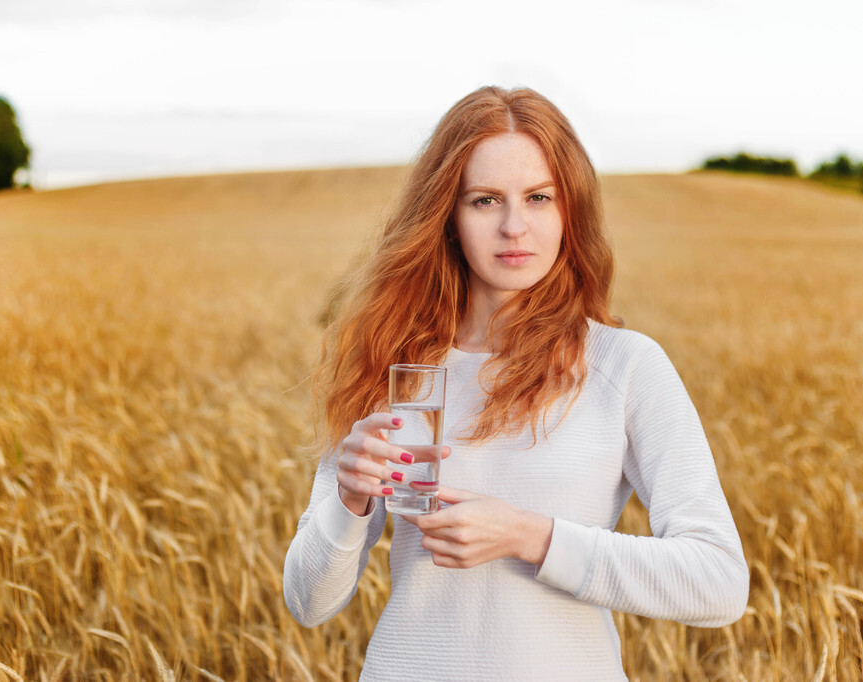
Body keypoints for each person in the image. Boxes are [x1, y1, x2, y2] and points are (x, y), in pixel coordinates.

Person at [283, 85, 748, 681]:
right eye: (484, 200)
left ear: (568, 211)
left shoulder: (625, 366)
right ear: (446, 217)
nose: (513, 227)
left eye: (538, 197)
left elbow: (718, 582)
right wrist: (348, 501)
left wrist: (530, 537)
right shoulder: (396, 367)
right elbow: (309, 602)